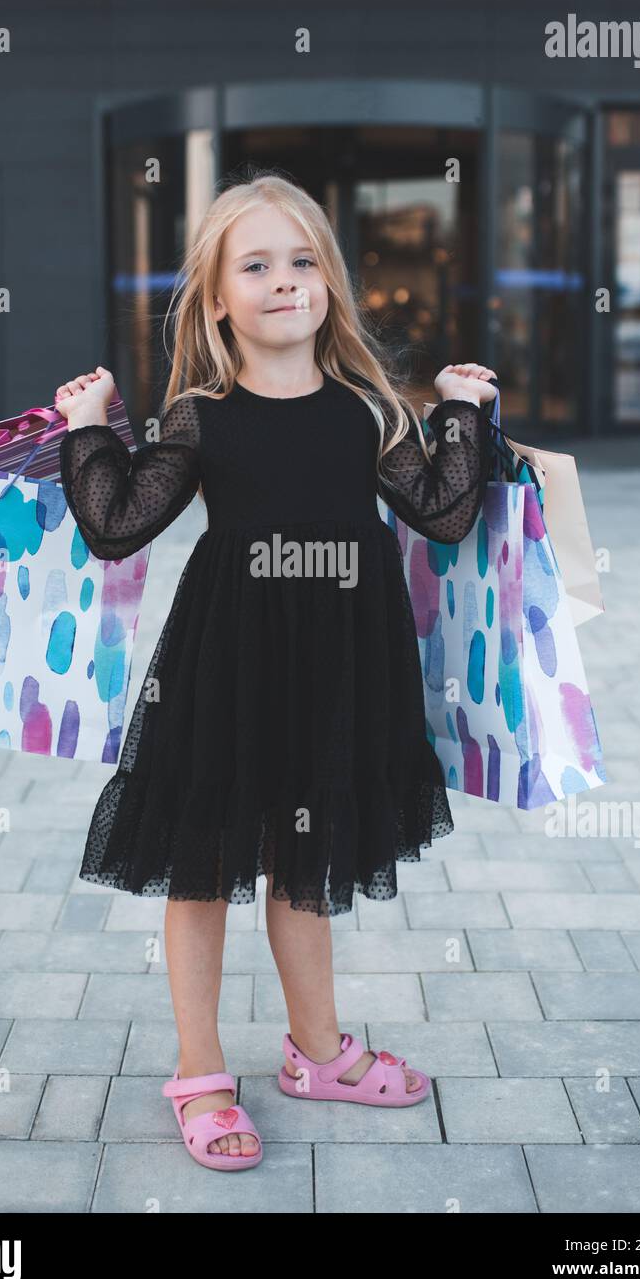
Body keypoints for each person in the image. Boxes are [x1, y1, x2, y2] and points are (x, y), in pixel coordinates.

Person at [54, 171, 497, 1172]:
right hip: (231, 662)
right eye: (254, 265)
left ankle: (318, 1053)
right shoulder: (201, 416)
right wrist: (89, 424)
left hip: (342, 663)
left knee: (311, 857)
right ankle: (201, 1070)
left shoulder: (368, 409)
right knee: (205, 860)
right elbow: (118, 525)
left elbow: (446, 511)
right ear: (217, 298)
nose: (283, 280)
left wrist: (463, 411)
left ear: (331, 284)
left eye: (302, 261)